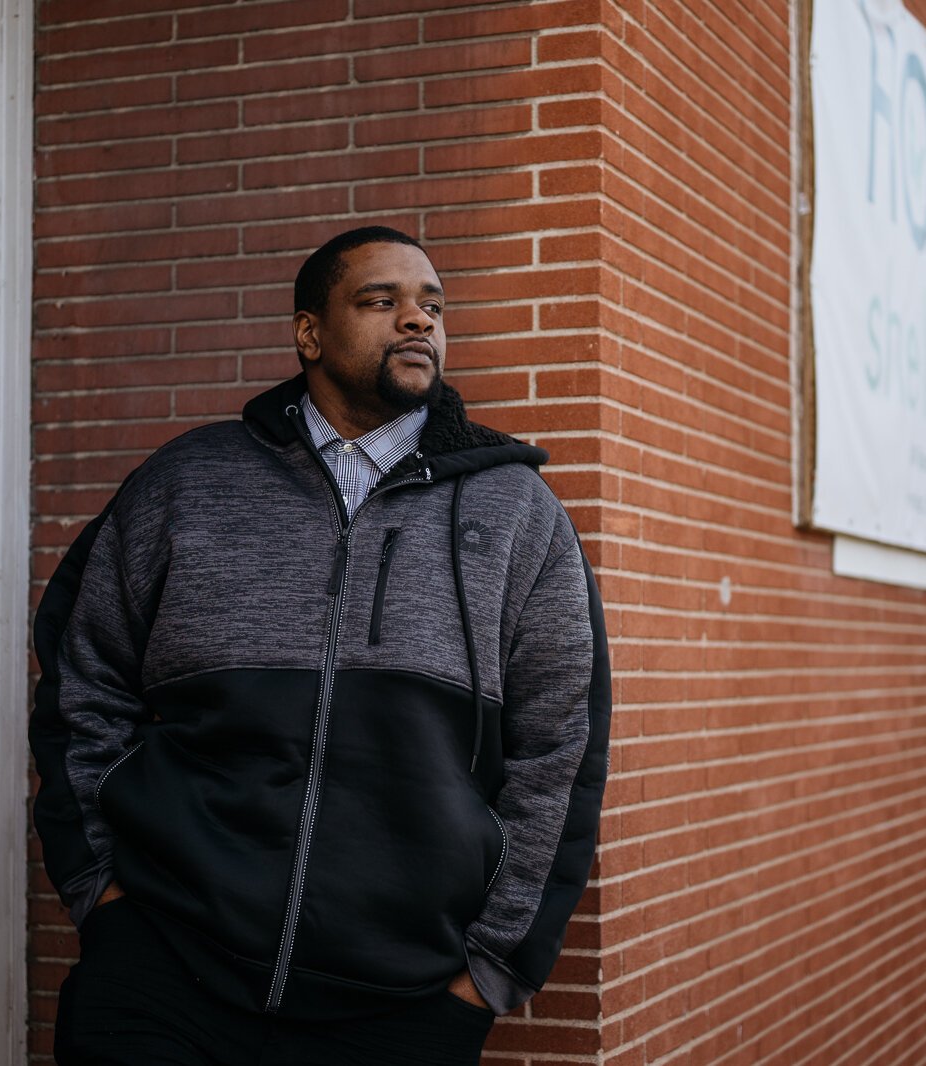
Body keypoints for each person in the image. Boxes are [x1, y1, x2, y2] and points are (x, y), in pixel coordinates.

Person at [30, 226, 611, 1065]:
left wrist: (488, 971)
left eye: (431, 306)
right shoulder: (186, 484)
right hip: (162, 969)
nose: (417, 321)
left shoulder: (518, 514)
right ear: (308, 333)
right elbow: (83, 680)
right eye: (382, 301)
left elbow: (561, 747)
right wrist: (102, 893)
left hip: (401, 1000)